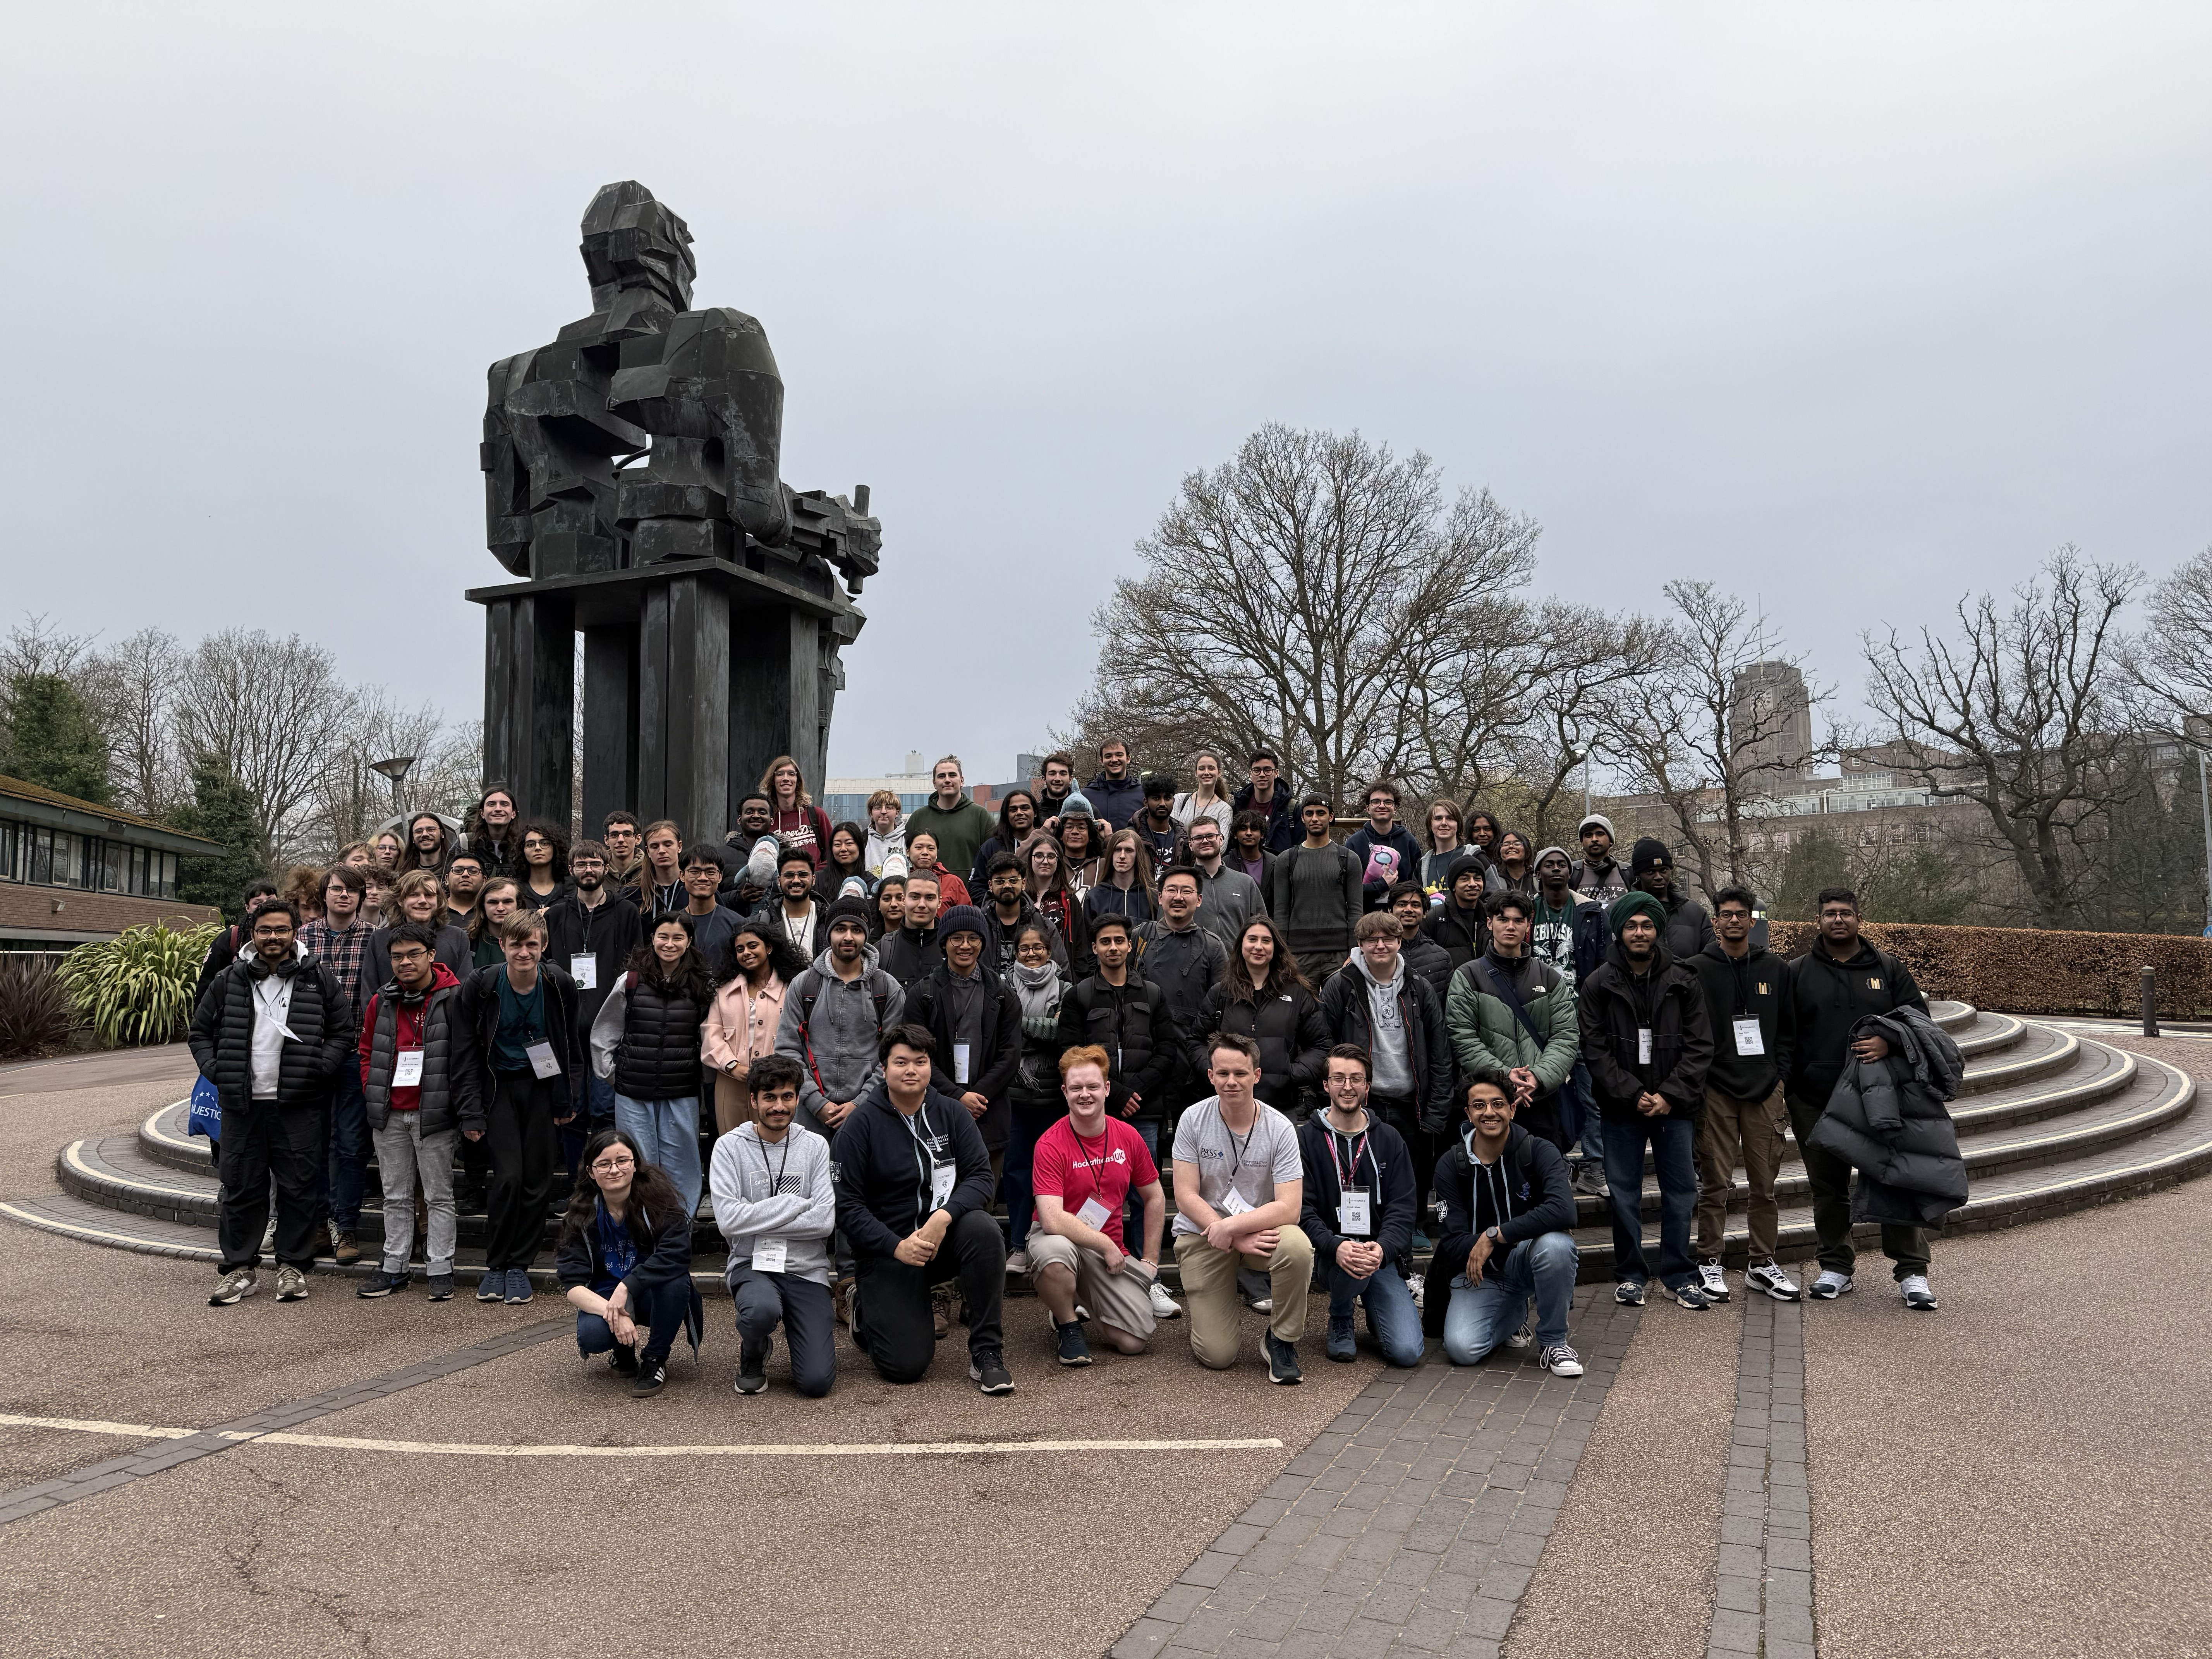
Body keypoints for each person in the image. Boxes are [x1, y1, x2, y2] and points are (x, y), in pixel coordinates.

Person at [832, 1024, 1012, 1393]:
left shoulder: (952, 1114)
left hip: (942, 1239)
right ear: (884, 1068)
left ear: (931, 1066)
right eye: (901, 1062)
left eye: (920, 1061)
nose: (911, 1070)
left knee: (983, 1230)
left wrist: (942, 1219)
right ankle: (866, 1308)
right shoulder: (859, 1127)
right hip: (889, 1251)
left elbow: (980, 1177)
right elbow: (847, 1207)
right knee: (905, 1366)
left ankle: (987, 1352)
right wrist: (896, 1246)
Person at [1781, 887, 1935, 1308]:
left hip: (1879, 1098)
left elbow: (1920, 1022)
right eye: (1830, 914)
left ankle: (1912, 1271)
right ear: (1819, 921)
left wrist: (1889, 1042)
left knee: (1894, 1179)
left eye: (1845, 913)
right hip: (1816, 1100)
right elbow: (1786, 1035)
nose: (1838, 920)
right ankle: (1836, 1266)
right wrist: (1792, 1087)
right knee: (1828, 1188)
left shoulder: (1888, 969)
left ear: (1859, 919)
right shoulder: (1797, 972)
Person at [195, 901, 353, 1307]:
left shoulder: (318, 977)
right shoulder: (229, 979)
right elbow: (200, 1032)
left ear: (295, 932)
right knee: (240, 1189)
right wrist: (220, 1071)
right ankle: (238, 1269)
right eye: (265, 930)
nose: (273, 938)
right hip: (243, 1106)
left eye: (282, 930)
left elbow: (342, 1030)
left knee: (299, 1188)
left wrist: (320, 1068)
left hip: (298, 1104)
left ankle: (292, 1266)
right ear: (252, 933)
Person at [1580, 891, 1714, 1310]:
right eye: (1632, 926)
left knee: (1681, 1191)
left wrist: (1669, 1095)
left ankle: (1679, 1273)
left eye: (1647, 926)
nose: (1639, 933)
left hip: (1675, 1108)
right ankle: (1632, 1274)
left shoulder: (1685, 979)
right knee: (1624, 1192)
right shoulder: (1599, 983)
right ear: (1620, 931)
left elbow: (1700, 1046)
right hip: (1623, 1109)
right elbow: (1595, 1050)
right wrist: (1635, 1095)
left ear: (1658, 931)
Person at [459, 909, 584, 1305]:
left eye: (532, 944)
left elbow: (571, 1048)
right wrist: (470, 1110)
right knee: (509, 1177)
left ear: (544, 945)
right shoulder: (483, 984)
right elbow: (464, 1052)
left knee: (537, 1181)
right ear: (503, 945)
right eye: (517, 944)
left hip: (543, 1090)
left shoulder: (559, 983)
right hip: (497, 1090)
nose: (524, 952)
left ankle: (520, 1267)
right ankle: (496, 1264)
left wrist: (568, 1098)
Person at [1171, 1032, 1311, 1381]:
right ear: (1211, 1076)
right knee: (1218, 1357)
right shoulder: (1192, 1119)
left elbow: (1290, 1209)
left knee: (1297, 1246)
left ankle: (1281, 1339)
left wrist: (1234, 1229)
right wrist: (1228, 1237)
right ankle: (1218, 1313)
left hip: (1255, 1233)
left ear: (1257, 1075)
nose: (1231, 1082)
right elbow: (1186, 1196)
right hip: (1203, 1236)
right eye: (1223, 1074)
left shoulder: (1280, 1128)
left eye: (1240, 1073)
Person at [1430, 1078, 1582, 1376]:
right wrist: (1488, 1243)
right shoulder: (1451, 1163)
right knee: (1462, 1350)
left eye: (1498, 1104)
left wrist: (1495, 1236)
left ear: (1513, 1109)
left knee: (1557, 1246)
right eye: (1479, 1105)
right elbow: (1452, 1242)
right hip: (1479, 1273)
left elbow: (1564, 1211)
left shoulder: (1539, 1150)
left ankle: (1553, 1342)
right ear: (1468, 1113)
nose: (1490, 1112)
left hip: (1525, 1260)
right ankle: (1514, 1313)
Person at [354, 920, 474, 1300]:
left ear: (432, 955)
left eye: (413, 954)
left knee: (439, 1195)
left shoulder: (455, 997)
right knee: (395, 1196)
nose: (405, 962)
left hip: (434, 1113)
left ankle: (440, 1268)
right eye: (397, 956)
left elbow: (467, 1055)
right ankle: (395, 1267)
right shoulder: (381, 1000)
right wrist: (371, 1092)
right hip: (389, 1114)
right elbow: (366, 1051)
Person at [1691, 886, 1799, 1304]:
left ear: (1753, 921)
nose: (1733, 921)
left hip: (1765, 1090)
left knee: (1764, 1185)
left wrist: (1780, 1078)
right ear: (1715, 921)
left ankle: (1761, 1262)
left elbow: (1789, 1030)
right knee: (1715, 1183)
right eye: (1725, 914)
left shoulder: (1776, 969)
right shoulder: (1697, 969)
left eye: (1741, 914)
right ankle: (1709, 1260)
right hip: (1717, 1089)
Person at [1318, 911, 1454, 1242]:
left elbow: (1439, 1050)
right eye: (1372, 940)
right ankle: (1364, 1231)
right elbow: (1326, 1041)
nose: (1381, 945)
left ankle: (1414, 1226)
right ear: (1360, 944)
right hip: (1366, 1096)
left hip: (1412, 1098)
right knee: (1362, 1167)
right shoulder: (1342, 985)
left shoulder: (1419, 986)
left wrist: (1437, 1109)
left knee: (1412, 1169)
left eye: (1388, 939)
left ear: (1399, 942)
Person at [1030, 1044, 1167, 1364]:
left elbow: (1155, 1197)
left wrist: (1150, 1259)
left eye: (1093, 1087)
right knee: (1055, 1255)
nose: (1085, 1095)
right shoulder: (1049, 1144)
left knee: (1134, 1341)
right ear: (1064, 1091)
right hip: (1061, 1239)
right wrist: (1104, 1242)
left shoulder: (1128, 1136)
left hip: (1108, 1253)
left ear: (1107, 1089)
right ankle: (1067, 1323)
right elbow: (1051, 1219)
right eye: (1076, 1088)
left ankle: (1082, 1298)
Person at [710, 1055, 838, 1397]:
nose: (779, 1106)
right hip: (753, 1265)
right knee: (760, 1313)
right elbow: (727, 1221)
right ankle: (754, 1351)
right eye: (769, 1097)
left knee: (816, 1384)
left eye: (787, 1097)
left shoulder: (815, 1146)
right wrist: (794, 1204)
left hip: (806, 1270)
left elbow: (825, 1221)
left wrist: (755, 1217)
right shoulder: (728, 1148)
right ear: (753, 1100)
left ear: (797, 1098)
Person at [1300, 1045, 1423, 1366]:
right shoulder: (1306, 1139)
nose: (1348, 1087)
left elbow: (1403, 1207)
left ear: (1368, 1086)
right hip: (1329, 1256)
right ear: (1326, 1085)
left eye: (1357, 1079)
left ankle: (1373, 1307)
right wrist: (1335, 1244)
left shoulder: (1390, 1139)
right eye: (1338, 1078)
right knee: (1349, 1261)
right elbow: (1302, 1208)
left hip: (1377, 1256)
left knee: (1407, 1353)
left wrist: (1383, 1248)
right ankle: (1341, 1315)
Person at [556, 1128, 702, 1397]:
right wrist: (615, 1312)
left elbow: (677, 1254)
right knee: (593, 1337)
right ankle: (622, 1350)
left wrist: (627, 1287)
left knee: (676, 1282)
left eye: (622, 1161)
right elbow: (573, 1286)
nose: (614, 1170)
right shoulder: (581, 1213)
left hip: (648, 1293)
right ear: (591, 1172)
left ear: (635, 1164)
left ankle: (655, 1359)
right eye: (604, 1164)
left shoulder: (658, 1200)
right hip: (606, 1297)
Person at [590, 912, 714, 1217]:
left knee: (683, 1163)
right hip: (633, 1091)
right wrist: (611, 1075)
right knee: (638, 1161)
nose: (669, 944)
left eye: (678, 938)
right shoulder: (631, 980)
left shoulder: (703, 984)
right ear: (653, 939)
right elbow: (605, 1032)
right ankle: (641, 1226)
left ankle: (678, 1229)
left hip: (681, 1090)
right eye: (663, 937)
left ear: (689, 942)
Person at [1445, 891, 1580, 1150]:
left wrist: (1537, 1078)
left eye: (1518, 921)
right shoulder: (1468, 976)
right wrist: (1505, 1077)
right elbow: (1463, 1037)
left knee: (1544, 1176)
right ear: (1489, 923)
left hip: (1540, 1099)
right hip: (1489, 1101)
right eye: (1503, 919)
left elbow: (1566, 1035)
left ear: (1528, 926)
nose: (1510, 926)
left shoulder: (1549, 977)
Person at [903, 905, 1022, 1187]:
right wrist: (957, 1096)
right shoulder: (924, 994)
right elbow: (916, 1057)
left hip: (988, 1111)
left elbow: (1010, 1055)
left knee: (982, 1203)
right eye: (957, 938)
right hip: (934, 1112)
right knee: (935, 1202)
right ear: (944, 942)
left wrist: (977, 1096)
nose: (965, 946)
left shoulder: (1002, 994)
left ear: (983, 942)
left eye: (973, 938)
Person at [1055, 914, 1183, 1168]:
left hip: (1143, 1108)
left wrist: (1135, 1091)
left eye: (1118, 941)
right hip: (1094, 1108)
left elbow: (1168, 1050)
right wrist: (1115, 1093)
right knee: (1096, 1190)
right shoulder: (1078, 996)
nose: (1112, 947)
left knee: (1144, 1190)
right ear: (1095, 948)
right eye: (1105, 942)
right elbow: (1069, 1054)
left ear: (1129, 945)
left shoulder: (1153, 993)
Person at [775, 897, 906, 1141]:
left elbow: (895, 1057)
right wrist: (816, 1102)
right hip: (809, 1117)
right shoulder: (804, 984)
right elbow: (787, 1050)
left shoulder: (886, 988)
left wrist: (860, 1103)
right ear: (828, 934)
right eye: (840, 929)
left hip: (870, 1115)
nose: (848, 937)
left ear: (866, 935)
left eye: (857, 930)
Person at [300, 864, 375, 1266]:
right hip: (310, 1055)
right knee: (312, 1143)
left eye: (352, 890)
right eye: (337, 889)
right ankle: (315, 1225)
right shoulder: (301, 938)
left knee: (350, 1145)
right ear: (325, 894)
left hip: (355, 1056)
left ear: (362, 897)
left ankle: (345, 1224)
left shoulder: (376, 940)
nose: (344, 896)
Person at [543, 838, 641, 1133]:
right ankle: (576, 1175)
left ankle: (605, 1174)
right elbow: (544, 963)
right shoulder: (556, 915)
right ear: (571, 869)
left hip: (610, 1023)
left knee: (604, 1108)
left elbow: (635, 964)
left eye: (595, 864)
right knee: (572, 1106)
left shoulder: (626, 912)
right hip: (565, 1022)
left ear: (606, 867)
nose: (589, 870)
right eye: (582, 864)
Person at [1530, 844, 1610, 1197]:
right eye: (1550, 865)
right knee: (1545, 1098)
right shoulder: (1526, 912)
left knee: (1592, 1096)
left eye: (1563, 864)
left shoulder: (1591, 913)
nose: (1558, 870)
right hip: (1536, 1022)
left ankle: (1595, 1166)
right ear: (1539, 873)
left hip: (1582, 1020)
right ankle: (1554, 1164)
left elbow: (1605, 966)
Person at [1190, 915, 1328, 1116]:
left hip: (1281, 1107)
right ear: (1241, 945)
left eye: (1266, 940)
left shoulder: (1297, 993)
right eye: (1252, 939)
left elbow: (1321, 1045)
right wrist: (1217, 1073)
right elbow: (1196, 1041)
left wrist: (1290, 1073)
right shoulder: (1221, 993)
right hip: (1228, 1106)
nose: (1259, 947)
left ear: (1276, 947)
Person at [1001, 921, 1069, 1278]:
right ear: (1016, 953)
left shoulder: (1067, 991)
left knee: (1052, 1175)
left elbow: (1059, 1034)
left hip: (1053, 1099)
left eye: (1038, 948)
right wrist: (1034, 1031)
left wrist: (1019, 1029)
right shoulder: (1001, 987)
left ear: (1049, 951)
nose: (1031, 954)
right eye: (1024, 949)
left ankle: (1049, 1239)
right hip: (1013, 1097)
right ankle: (1017, 1243)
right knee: (1016, 1173)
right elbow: (1002, 1033)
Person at [1133, 868, 1229, 1120]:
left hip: (1191, 1058)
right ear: (1160, 897)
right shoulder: (1139, 937)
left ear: (1199, 900)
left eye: (1187, 891)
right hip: (1144, 1053)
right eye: (1172, 890)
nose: (1179, 897)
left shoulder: (1213, 946)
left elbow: (1223, 1006)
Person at [703, 919, 803, 1135]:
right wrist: (732, 1066)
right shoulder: (723, 991)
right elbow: (711, 1033)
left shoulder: (792, 988)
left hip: (779, 1083)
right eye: (740, 949)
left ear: (769, 948)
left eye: (753, 946)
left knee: (776, 1143)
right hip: (731, 1081)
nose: (746, 953)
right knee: (733, 1143)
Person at [1270, 794, 1364, 984]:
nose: (1315, 818)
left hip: (1339, 955)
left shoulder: (1348, 858)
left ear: (1331, 817)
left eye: (1321, 813)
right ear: (1302, 818)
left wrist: (1355, 953)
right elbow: (1280, 911)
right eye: (1309, 814)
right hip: (1298, 955)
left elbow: (1356, 910)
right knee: (1300, 1010)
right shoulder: (1287, 860)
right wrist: (1282, 954)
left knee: (1341, 1010)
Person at [368, 869, 471, 988]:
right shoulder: (379, 939)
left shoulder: (457, 937)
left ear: (438, 901)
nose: (423, 901)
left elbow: (465, 988)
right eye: (414, 895)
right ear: (401, 900)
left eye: (429, 895)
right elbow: (369, 991)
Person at [903, 756, 996, 886]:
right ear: (934, 783)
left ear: (962, 780)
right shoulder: (918, 817)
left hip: (971, 897)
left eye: (952, 775)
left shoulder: (981, 816)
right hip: (926, 896)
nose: (947, 780)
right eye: (942, 776)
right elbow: (905, 858)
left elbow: (993, 860)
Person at [1184, 816, 1265, 951]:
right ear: (1191, 845)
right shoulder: (1181, 885)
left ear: (1221, 839)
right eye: (1198, 838)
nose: (1205, 841)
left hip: (1239, 965)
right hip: (1195, 965)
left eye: (1211, 836)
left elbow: (1262, 928)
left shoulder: (1245, 883)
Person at [979, 851, 1067, 973]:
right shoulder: (979, 926)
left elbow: (1061, 972)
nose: (1007, 886)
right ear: (990, 886)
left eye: (1014, 880)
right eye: (1000, 881)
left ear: (1023, 883)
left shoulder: (1043, 926)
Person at [1627, 837, 1714, 960]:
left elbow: (1710, 958)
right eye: (1650, 872)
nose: (1659, 877)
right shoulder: (1622, 911)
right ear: (1639, 875)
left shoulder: (1696, 912)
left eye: (1663, 870)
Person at [1019, 830, 1091, 974]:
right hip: (1022, 974)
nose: (1045, 861)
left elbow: (1080, 947)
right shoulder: (1020, 898)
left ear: (1058, 861)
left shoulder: (1069, 899)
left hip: (1059, 976)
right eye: (1039, 856)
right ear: (1030, 859)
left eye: (1051, 856)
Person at [1346, 781, 1422, 912]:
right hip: (1365, 917)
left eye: (1388, 802)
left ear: (1396, 808)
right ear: (1367, 808)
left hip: (1402, 918)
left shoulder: (1409, 842)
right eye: (1376, 802)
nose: (1382, 806)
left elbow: (1418, 883)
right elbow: (1348, 889)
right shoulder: (1354, 844)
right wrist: (1380, 886)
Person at [760, 754, 835, 869]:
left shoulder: (816, 815)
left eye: (791, 774)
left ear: (797, 781)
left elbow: (833, 854)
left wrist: (816, 875)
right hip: (781, 884)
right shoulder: (767, 821)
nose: (786, 778)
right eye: (780, 774)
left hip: (816, 883)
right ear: (773, 781)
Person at [751, 844, 824, 963]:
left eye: (803, 875)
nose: (796, 881)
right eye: (789, 875)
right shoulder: (763, 922)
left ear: (814, 879)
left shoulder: (828, 919)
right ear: (779, 880)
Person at [1389, 880, 1456, 1008]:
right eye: (1402, 904)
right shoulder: (1378, 953)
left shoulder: (1441, 957)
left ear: (1425, 913)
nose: (1408, 910)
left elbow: (1449, 1007)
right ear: (1390, 911)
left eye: (1415, 905)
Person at [674, 842, 741, 968]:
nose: (703, 878)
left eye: (711, 872)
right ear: (682, 876)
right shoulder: (672, 925)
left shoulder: (738, 924)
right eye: (695, 872)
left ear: (720, 876)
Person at [1421, 854, 1489, 971]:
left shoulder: (1491, 916)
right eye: (1465, 879)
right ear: (1453, 886)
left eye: (1478, 879)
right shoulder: (1435, 918)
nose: (1473, 884)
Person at [876, 869, 944, 987]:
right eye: (915, 897)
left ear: (939, 902)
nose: (922, 905)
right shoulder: (882, 950)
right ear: (904, 900)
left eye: (930, 898)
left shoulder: (951, 949)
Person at [968, 789, 1040, 894]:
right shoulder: (991, 847)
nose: (1019, 813)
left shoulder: (1047, 844)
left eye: (1025, 808)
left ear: (1035, 813)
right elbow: (977, 888)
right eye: (1013, 810)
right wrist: (996, 907)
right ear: (1006, 815)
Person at [1231, 747, 1301, 854]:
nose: (1262, 775)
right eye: (1257, 770)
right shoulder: (1238, 805)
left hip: (1280, 868)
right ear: (1251, 774)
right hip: (1242, 868)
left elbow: (1300, 848)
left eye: (1268, 770)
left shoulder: (1291, 808)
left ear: (1276, 773)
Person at [1084, 827, 1157, 928]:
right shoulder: (1095, 897)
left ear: (1138, 855)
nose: (1122, 856)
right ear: (1111, 854)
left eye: (1129, 850)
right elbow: (1088, 939)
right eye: (1118, 850)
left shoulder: (1152, 896)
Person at [720, 794, 778, 913]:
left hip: (775, 927)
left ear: (772, 820)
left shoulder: (788, 855)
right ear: (740, 820)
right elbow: (712, 898)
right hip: (735, 925)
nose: (756, 816)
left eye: (762, 812)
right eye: (750, 812)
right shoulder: (720, 855)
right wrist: (740, 897)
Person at [466, 784, 525, 880]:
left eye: (504, 804)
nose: (498, 809)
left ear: (513, 813)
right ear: (482, 813)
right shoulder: (466, 843)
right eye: (491, 804)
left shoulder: (525, 845)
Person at [1171, 751, 1235, 840]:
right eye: (1202, 769)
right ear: (1196, 773)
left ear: (1219, 773)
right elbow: (1171, 834)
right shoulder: (1180, 800)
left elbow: (1221, 846)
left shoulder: (1225, 810)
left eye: (1211, 768)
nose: (1206, 772)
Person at [1085, 737, 1144, 831]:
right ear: (1102, 761)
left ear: (1128, 758)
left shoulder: (1143, 794)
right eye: (1108, 756)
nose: (1114, 760)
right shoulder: (1086, 796)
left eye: (1119, 755)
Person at [630, 819, 685, 915]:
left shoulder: (693, 889)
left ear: (679, 846)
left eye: (668, 845)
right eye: (655, 847)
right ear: (648, 851)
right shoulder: (633, 893)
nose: (661, 851)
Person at [1571, 813, 1629, 906]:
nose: (1594, 839)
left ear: (1611, 840)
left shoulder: (1627, 871)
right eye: (1589, 836)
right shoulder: (1572, 872)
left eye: (1600, 834)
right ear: (1582, 842)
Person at [904, 830, 970, 908]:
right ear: (908, 852)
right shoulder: (902, 880)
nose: (925, 852)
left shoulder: (953, 882)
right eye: (919, 848)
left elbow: (966, 916)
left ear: (936, 854)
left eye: (931, 849)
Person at [812, 821, 872, 907]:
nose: (843, 849)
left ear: (860, 846)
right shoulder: (818, 881)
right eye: (837, 845)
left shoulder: (871, 882)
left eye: (849, 843)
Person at [1421, 799, 1475, 890]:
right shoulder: (1422, 866)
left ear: (1458, 825)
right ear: (1430, 825)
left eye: (1450, 819)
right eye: (1438, 819)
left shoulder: (1476, 856)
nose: (1444, 823)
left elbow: (1494, 898)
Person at [516, 819, 569, 910]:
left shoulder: (571, 889)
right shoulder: (516, 890)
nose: (538, 848)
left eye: (544, 843)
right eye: (530, 845)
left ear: (555, 847)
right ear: (523, 850)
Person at [1054, 797, 1105, 892]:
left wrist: (1109, 837)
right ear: (1061, 835)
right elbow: (1023, 859)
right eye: (1069, 827)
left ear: (1090, 835)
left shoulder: (1102, 865)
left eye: (1081, 828)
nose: (1075, 832)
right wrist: (1044, 831)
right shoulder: (1052, 863)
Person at [469, 878, 520, 969]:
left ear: (518, 904)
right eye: (493, 902)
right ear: (483, 906)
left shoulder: (534, 939)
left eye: (507, 902)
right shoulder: (470, 942)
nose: (501, 908)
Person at [1134, 773, 1181, 868]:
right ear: (1146, 802)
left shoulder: (1183, 839)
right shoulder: (1133, 836)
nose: (1163, 804)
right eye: (1156, 798)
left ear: (1174, 801)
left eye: (1167, 798)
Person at [1228, 810, 1277, 898]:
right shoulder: (1226, 864)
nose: (1249, 833)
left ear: (1262, 834)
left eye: (1254, 829)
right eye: (1243, 829)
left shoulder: (1275, 864)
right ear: (1236, 834)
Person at [397, 811, 457, 876]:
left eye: (431, 830)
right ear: (413, 838)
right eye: (419, 831)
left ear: (442, 834)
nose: (425, 834)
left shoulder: (457, 870)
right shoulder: (404, 875)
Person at [864, 788, 907, 876]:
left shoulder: (908, 840)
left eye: (889, 808)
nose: (884, 811)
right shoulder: (862, 840)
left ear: (897, 813)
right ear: (871, 813)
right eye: (878, 808)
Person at [442, 850, 487, 935]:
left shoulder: (490, 911)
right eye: (458, 871)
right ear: (447, 879)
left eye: (473, 871)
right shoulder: (436, 911)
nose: (465, 875)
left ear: (484, 880)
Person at [1486, 830, 1535, 899]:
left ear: (1527, 850)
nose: (1511, 846)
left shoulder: (1538, 880)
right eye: (1506, 845)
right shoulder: (1495, 881)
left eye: (1517, 844)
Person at [601, 810, 644, 885]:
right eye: (614, 835)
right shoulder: (597, 873)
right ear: (607, 840)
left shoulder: (651, 871)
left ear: (638, 839)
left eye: (627, 834)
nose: (621, 840)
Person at [1034, 750, 1077, 825]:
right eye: (1052, 774)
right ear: (1044, 779)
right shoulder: (1035, 814)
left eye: (1063, 774)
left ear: (1070, 779)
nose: (1057, 779)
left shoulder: (1085, 810)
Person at [871, 872, 907, 941]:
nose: (893, 904)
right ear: (879, 904)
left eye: (900, 899)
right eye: (887, 899)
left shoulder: (923, 939)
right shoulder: (867, 942)